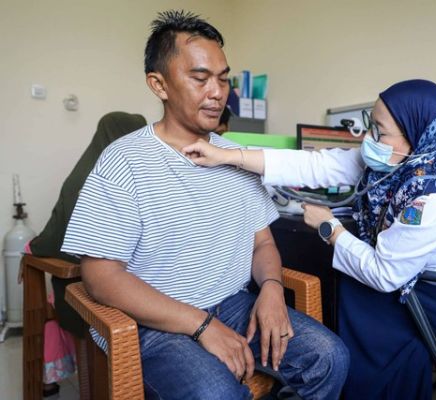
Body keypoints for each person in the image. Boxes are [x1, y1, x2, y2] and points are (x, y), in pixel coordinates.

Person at [61, 10, 348, 400]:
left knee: (329, 358)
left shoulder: (234, 156)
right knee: (216, 392)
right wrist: (200, 325)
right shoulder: (124, 160)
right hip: (152, 321)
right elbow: (99, 276)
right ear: (158, 84)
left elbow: (262, 243)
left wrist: (272, 288)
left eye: (223, 78)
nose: (218, 92)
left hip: (232, 303)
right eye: (200, 78)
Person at [182, 79, 436, 400]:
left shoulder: (433, 201)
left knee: (363, 302)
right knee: (358, 302)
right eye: (370, 126)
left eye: (381, 132)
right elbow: (315, 165)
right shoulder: (402, 163)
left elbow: (384, 275)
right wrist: (230, 156)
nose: (369, 141)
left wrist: (331, 229)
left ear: (415, 137)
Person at [22, 111, 147, 397]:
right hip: (91, 285)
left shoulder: (108, 173)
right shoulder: (94, 180)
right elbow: (62, 241)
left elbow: (51, 238)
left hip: (117, 281)